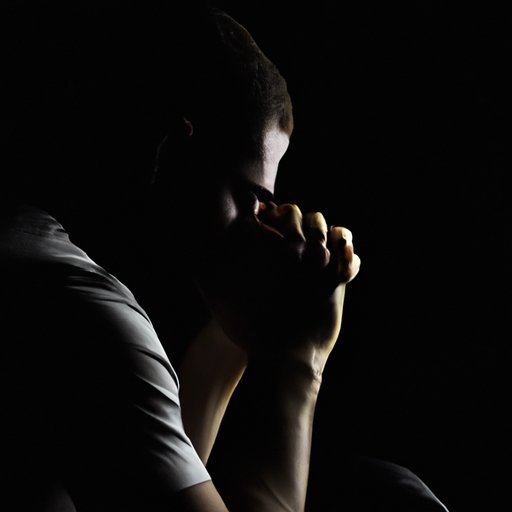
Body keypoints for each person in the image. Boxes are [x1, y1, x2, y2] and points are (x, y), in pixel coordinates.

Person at [0, 4, 448, 511]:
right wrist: (298, 362)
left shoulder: (28, 253)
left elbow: (147, 476)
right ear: (173, 152)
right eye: (251, 198)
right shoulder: (83, 311)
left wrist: (238, 330)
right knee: (389, 492)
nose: (257, 223)